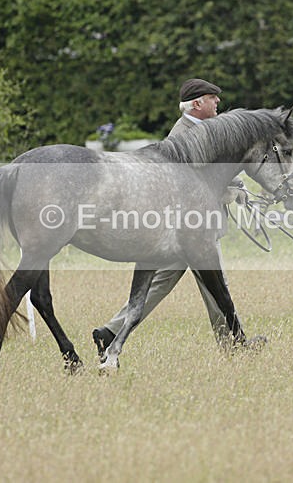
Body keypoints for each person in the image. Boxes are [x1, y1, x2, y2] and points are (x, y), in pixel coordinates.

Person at [92, 78, 264, 357]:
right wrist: (228, 195)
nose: (217, 101)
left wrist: (234, 187)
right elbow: (191, 189)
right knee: (216, 285)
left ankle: (109, 332)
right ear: (197, 104)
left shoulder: (205, 130)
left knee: (162, 284)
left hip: (188, 227)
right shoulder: (182, 136)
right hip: (191, 227)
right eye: (212, 97)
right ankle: (234, 344)